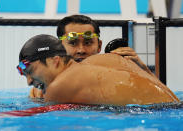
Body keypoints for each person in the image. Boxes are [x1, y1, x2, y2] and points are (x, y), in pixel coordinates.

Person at [17, 34, 180, 105]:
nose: (29, 81)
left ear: (55, 61)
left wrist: (40, 99)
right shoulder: (101, 60)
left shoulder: (59, 86)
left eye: (30, 72)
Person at [28, 15, 156, 98]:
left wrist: (142, 69)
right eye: (73, 43)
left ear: (99, 46)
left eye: (88, 42)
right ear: (59, 47)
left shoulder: (117, 70)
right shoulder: (41, 90)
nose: (81, 50)